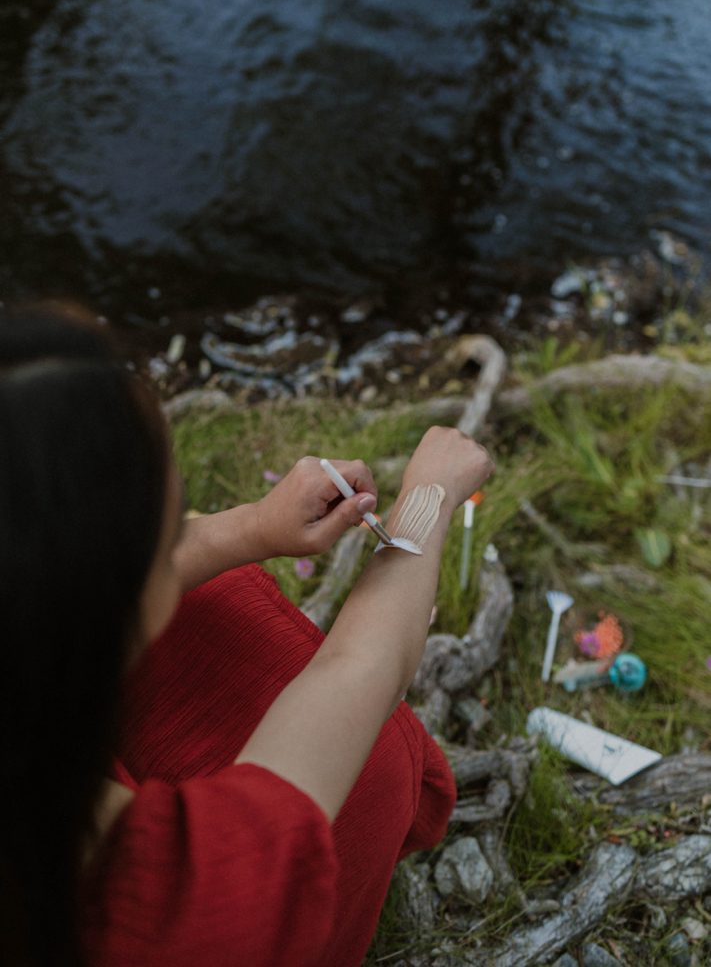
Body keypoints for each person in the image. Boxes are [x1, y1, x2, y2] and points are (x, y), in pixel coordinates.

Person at [0, 304, 495, 967]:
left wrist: (254, 529)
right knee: (369, 769)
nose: (191, 529)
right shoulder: (159, 911)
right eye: (176, 528)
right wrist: (428, 496)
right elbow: (360, 672)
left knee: (216, 595)